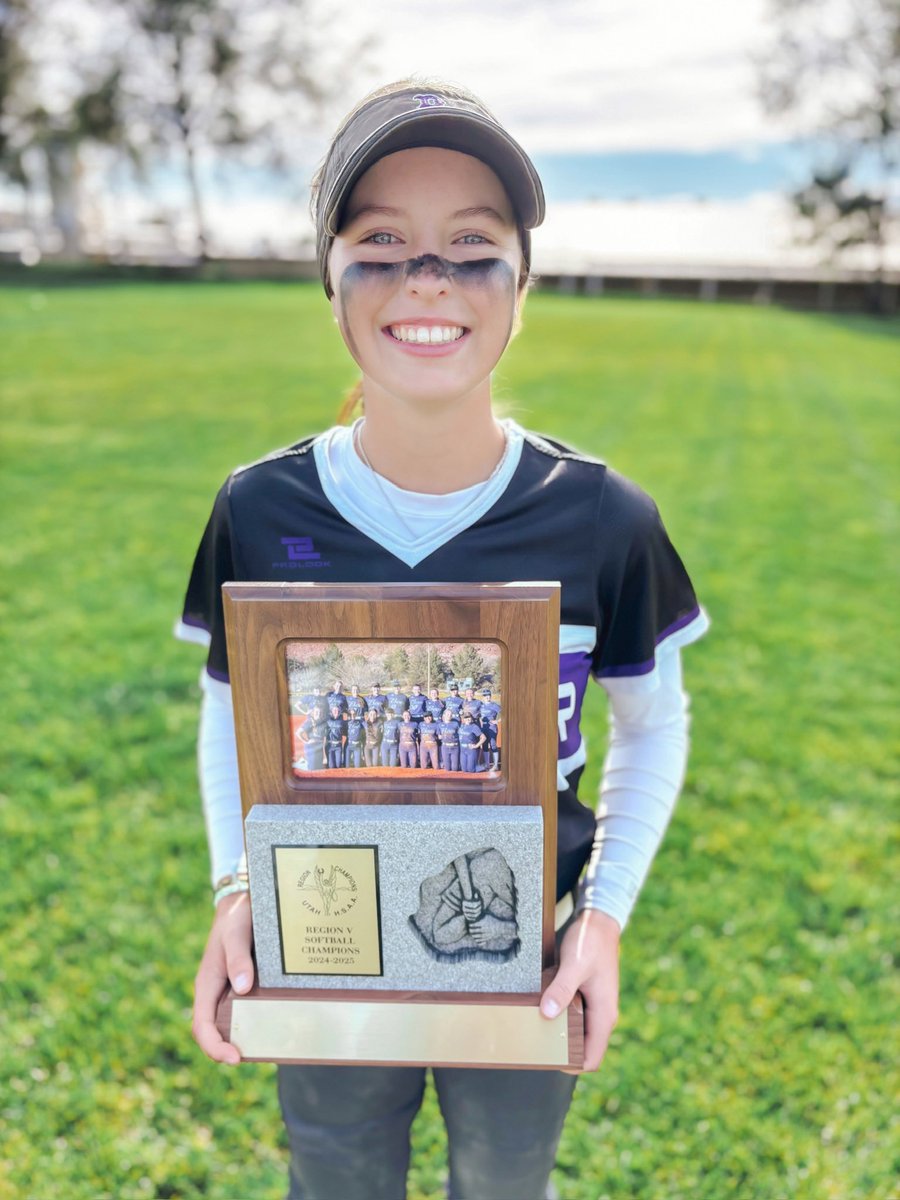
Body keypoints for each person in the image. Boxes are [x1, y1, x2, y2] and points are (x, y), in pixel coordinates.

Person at [179, 78, 707, 1200]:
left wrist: (601, 920)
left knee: (504, 1183)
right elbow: (231, 712)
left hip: (519, 954)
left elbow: (653, 725)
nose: (428, 278)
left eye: (472, 246)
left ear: (523, 282)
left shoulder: (605, 517)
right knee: (336, 1176)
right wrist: (236, 887)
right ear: (330, 279)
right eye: (383, 242)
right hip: (317, 940)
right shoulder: (261, 511)